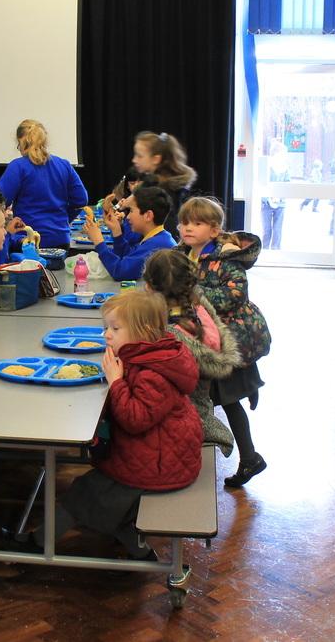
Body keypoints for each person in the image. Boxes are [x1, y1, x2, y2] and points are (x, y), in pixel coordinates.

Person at [7, 290, 201, 559]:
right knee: (102, 501)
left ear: (143, 331)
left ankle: (37, 544)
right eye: (107, 327)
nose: (106, 335)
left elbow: (135, 419)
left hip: (160, 467)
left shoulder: (154, 373)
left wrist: (116, 381)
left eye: (115, 329)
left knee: (84, 495)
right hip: (158, 455)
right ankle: (142, 555)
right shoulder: (150, 355)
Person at [176, 197, 272, 487]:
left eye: (197, 223)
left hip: (228, 340)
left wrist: (194, 294)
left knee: (228, 400)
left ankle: (249, 458)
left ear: (214, 230)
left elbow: (234, 295)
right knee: (209, 399)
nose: (188, 228)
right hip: (204, 339)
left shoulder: (227, 259)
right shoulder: (183, 254)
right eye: (184, 222)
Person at [140, 249, 242, 453]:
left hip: (180, 421)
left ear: (148, 287)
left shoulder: (169, 336)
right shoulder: (199, 313)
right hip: (199, 409)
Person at [0, 119, 88, 248]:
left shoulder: (18, 166)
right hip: (60, 238)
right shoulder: (64, 165)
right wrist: (63, 219)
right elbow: (81, 200)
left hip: (27, 239)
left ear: (22, 142)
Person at [82, 186, 177, 281]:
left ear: (148, 215)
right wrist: (117, 232)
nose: (127, 217)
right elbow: (128, 257)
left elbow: (120, 272)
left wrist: (98, 241)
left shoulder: (157, 245)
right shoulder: (158, 238)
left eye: (131, 211)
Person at [130, 131, 197, 234]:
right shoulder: (158, 184)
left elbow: (168, 227)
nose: (134, 160)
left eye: (139, 156)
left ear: (156, 159)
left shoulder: (160, 190)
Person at [260, 139, 290, 250]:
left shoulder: (285, 169)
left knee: (277, 230)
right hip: (266, 203)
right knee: (266, 230)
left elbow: (287, 184)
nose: (282, 156)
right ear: (274, 154)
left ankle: (276, 250)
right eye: (280, 154)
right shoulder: (267, 167)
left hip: (280, 204)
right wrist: (268, 198)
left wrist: (280, 197)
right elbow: (262, 184)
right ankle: (265, 250)